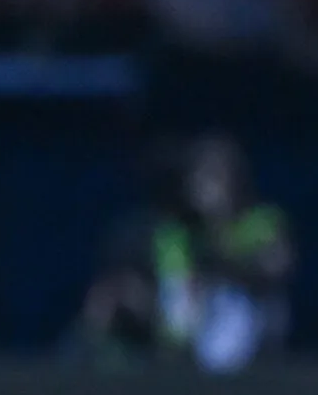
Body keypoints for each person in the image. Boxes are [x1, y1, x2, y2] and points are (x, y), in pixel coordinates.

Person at [73, 136, 294, 371]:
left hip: (248, 326)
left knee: (239, 302)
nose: (204, 188)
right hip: (186, 332)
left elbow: (277, 267)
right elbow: (174, 289)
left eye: (213, 178)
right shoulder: (175, 235)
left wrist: (219, 257)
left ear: (234, 180)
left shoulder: (261, 222)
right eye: (198, 178)